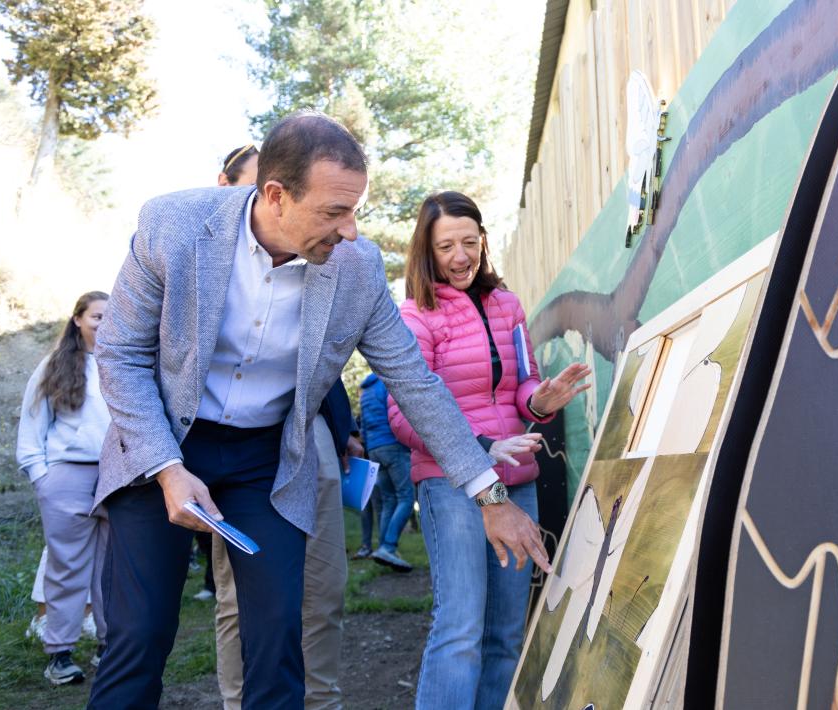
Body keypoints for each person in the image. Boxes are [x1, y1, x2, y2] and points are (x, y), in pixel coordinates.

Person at [86, 112, 549, 710]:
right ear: (275, 196)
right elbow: (120, 354)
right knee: (140, 635)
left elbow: (415, 381)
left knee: (280, 636)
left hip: (268, 461)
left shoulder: (356, 269)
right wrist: (169, 470)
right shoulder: (173, 225)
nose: (351, 231)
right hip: (161, 443)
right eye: (334, 212)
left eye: (355, 209)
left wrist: (489, 494)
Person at [389, 191, 590, 709]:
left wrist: (541, 400)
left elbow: (524, 386)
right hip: (450, 485)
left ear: (483, 242)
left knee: (505, 635)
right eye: (446, 246)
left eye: (470, 242)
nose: (460, 256)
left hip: (517, 483)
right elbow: (403, 416)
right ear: (426, 251)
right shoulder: (415, 316)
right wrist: (481, 447)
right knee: (460, 631)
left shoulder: (507, 305)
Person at [207, 142, 363, 710]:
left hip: (309, 431)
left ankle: (318, 702)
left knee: (322, 588)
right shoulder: (197, 247)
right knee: (240, 597)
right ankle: (238, 701)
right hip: (229, 444)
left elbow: (333, 355)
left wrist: (340, 427)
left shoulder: (334, 259)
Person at [16, 291, 111, 685]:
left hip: (118, 479)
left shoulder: (126, 360)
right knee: (66, 567)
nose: (103, 324)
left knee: (113, 570)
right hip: (66, 478)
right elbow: (31, 425)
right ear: (78, 320)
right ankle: (60, 654)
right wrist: (42, 476)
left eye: (110, 317)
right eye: (96, 317)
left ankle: (111, 650)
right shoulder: (55, 365)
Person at [359, 373, 413, 571]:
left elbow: (363, 427)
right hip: (393, 446)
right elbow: (397, 417)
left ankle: (384, 549)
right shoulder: (386, 384)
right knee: (407, 498)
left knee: (389, 500)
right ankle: (388, 547)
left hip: (374, 449)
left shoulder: (366, 391)